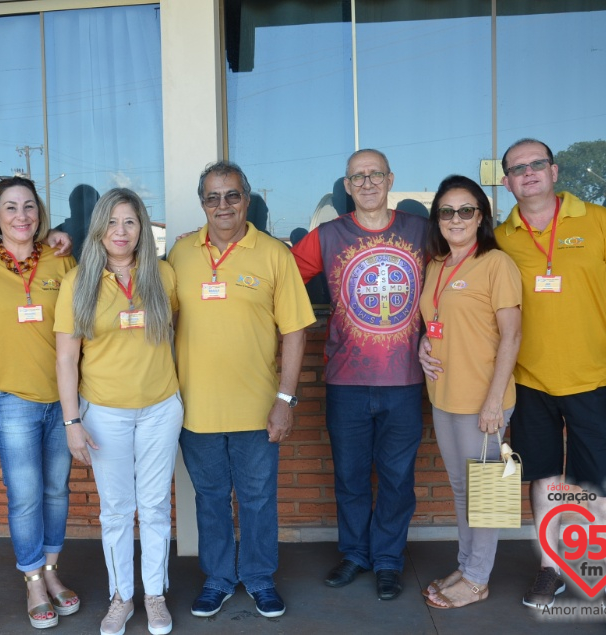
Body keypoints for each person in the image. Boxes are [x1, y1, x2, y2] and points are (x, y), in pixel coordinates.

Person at [423, 139, 606, 635]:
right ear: (505, 182)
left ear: (554, 170)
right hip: (527, 384)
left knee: (595, 485)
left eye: (536, 165)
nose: (528, 174)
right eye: (517, 169)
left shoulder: (598, 222)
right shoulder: (500, 237)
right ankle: (551, 569)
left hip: (592, 381)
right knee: (542, 480)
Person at [168, 161, 315, 620]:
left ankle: (257, 576)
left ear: (246, 200)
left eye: (231, 195)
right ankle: (217, 578)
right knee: (210, 500)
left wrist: (285, 400)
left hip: (257, 409)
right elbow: (157, 318)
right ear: (202, 204)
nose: (222, 205)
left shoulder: (273, 253)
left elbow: (295, 332)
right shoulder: (181, 253)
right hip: (195, 409)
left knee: (257, 499)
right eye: (212, 197)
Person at [291, 149, 427, 600]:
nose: (367, 182)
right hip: (346, 380)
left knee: (396, 477)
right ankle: (354, 554)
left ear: (391, 179)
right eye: (357, 177)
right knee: (349, 476)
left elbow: (468, 269)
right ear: (346, 187)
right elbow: (278, 275)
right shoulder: (327, 236)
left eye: (375, 174)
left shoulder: (422, 233)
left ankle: (388, 559)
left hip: (406, 380)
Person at [55, 187, 182, 635]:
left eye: (130, 221)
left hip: (160, 408)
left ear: (142, 228)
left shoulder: (163, 276)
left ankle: (154, 595)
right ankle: (121, 597)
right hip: (104, 412)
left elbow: (178, 334)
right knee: (116, 509)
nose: (121, 231)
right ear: (99, 229)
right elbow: (67, 359)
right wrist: (72, 423)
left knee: (153, 507)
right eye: (112, 222)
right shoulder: (78, 281)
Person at [0, 176, 79, 629]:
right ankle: (32, 578)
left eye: (29, 207)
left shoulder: (60, 259)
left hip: (62, 399)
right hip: (11, 398)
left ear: (41, 213)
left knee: (56, 489)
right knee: (27, 495)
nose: (21, 216)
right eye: (10, 207)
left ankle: (52, 572)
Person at [417, 175, 522, 609]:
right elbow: (436, 318)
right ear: (437, 219)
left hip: (485, 398)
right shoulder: (436, 266)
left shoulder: (497, 263)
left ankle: (478, 579)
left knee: (489, 491)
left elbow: (512, 337)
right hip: (444, 395)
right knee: (463, 488)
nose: (455, 218)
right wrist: (425, 342)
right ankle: (467, 563)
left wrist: (495, 401)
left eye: (466, 210)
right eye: (447, 211)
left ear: (481, 217)